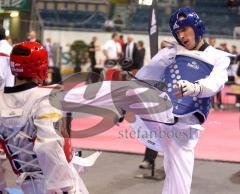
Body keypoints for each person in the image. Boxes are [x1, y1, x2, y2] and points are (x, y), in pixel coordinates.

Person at [131, 7, 232, 194]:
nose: (182, 35)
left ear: (197, 26)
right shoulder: (172, 51)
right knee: (125, 92)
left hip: (185, 129)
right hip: (163, 115)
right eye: (178, 32)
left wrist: (196, 88)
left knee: (178, 186)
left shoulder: (219, 57)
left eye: (185, 29)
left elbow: (216, 82)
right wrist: (163, 56)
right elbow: (145, 75)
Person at [0, 42, 88, 194]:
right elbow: (49, 146)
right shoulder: (44, 98)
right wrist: (66, 187)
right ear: (41, 66)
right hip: (54, 184)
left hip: (27, 184)